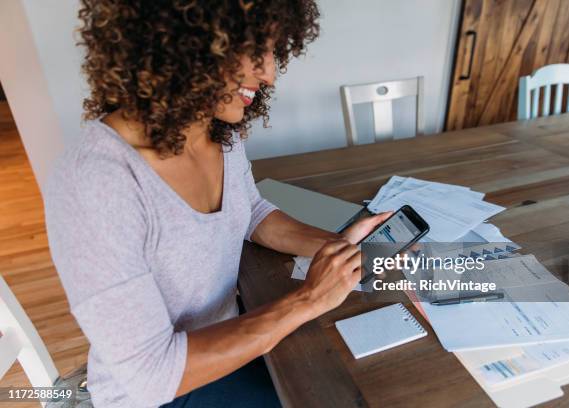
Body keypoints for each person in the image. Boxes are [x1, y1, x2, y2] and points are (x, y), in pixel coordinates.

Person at [44, 1, 391, 407]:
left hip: (231, 343)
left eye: (273, 50)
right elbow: (151, 377)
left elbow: (253, 214)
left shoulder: (218, 132)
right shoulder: (96, 183)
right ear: (182, 41)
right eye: (253, 49)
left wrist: (340, 249)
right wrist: (310, 298)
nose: (270, 72)